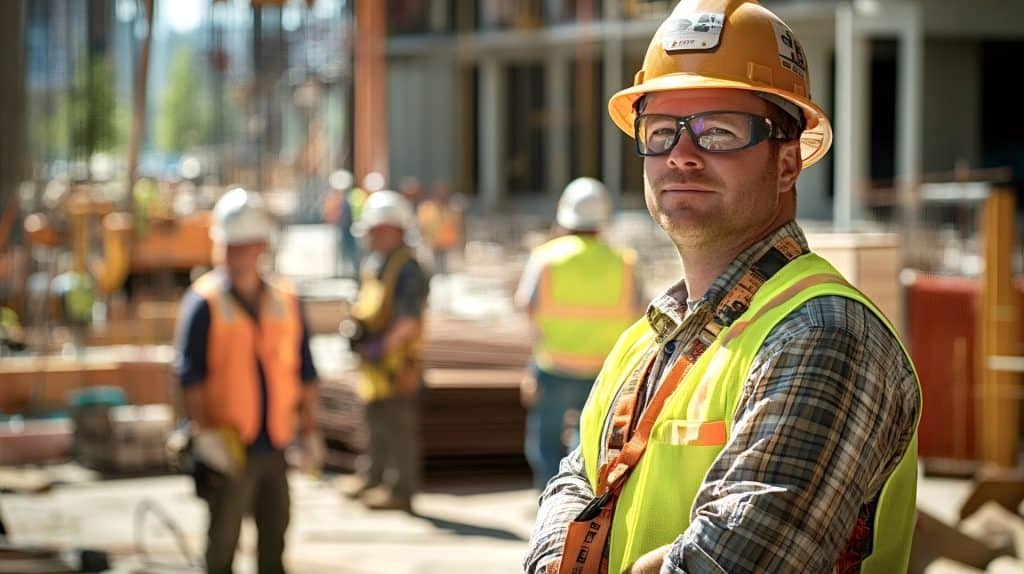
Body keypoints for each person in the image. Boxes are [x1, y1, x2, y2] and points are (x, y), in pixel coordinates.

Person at [524, 2, 921, 573]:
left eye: (719, 132)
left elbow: (739, 561)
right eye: (661, 132)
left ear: (788, 163)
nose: (681, 155)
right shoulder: (646, 341)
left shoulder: (824, 336)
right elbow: (576, 481)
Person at [174, 187, 323, 574]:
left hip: (274, 443)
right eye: (229, 247)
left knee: (275, 537)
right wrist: (205, 436)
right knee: (222, 544)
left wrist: (309, 432)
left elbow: (305, 371)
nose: (236, 256)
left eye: (244, 247)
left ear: (261, 247)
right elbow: (189, 378)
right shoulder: (204, 302)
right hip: (229, 447)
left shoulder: (286, 300)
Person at [514, 177, 643, 491]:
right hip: (604, 369)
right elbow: (640, 311)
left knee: (546, 441)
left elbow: (525, 304)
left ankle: (549, 499)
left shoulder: (545, 257)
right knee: (588, 443)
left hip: (554, 365)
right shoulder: (624, 261)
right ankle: (578, 500)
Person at [341, 190, 430, 512]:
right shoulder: (377, 263)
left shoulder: (408, 269)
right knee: (374, 423)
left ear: (392, 230)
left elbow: (408, 321)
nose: (370, 237)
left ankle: (401, 491)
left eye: (375, 231)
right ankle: (373, 477)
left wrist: (379, 348)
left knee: (398, 427)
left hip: (397, 364)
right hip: (374, 364)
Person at [416, 180, 465, 276]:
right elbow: (422, 225)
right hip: (432, 245)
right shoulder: (427, 208)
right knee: (433, 271)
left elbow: (457, 226)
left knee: (447, 272)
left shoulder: (452, 209)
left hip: (448, 246)